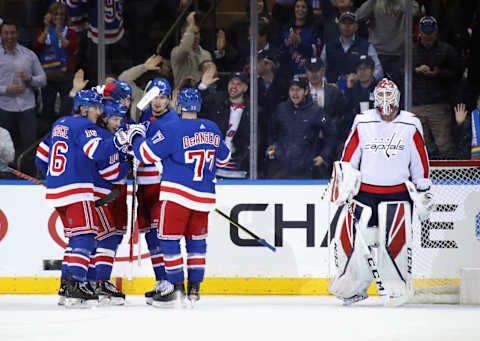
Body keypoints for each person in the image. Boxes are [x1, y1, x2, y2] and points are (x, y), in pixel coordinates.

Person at [329, 78, 432, 305]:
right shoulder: (363, 121)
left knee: (396, 245)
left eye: (389, 95)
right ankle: (351, 287)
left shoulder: (411, 123)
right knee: (350, 240)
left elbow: (419, 159)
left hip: (398, 193)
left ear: (396, 96)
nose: (385, 101)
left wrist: (423, 186)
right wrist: (344, 180)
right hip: (364, 193)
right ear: (375, 97)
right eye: (381, 96)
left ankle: (396, 288)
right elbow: (349, 156)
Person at [126, 87, 230, 307]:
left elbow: (144, 154)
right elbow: (224, 159)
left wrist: (135, 136)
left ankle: (175, 289)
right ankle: (194, 289)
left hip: (176, 196)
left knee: (168, 240)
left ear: (179, 105)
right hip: (204, 198)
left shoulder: (172, 128)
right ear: (199, 106)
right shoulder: (212, 128)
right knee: (197, 243)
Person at [35, 89, 127, 307]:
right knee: (85, 237)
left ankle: (66, 286)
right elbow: (97, 152)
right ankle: (77, 285)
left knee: (75, 239)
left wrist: (55, 177)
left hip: (58, 190)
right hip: (78, 189)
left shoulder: (60, 123)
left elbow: (40, 156)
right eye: (95, 108)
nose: (98, 112)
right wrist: (120, 140)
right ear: (84, 108)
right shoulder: (85, 126)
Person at [136, 78, 181, 304]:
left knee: (162, 235)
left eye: (162, 97)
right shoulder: (145, 115)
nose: (157, 101)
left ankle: (171, 282)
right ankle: (161, 281)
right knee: (152, 237)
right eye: (154, 96)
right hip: (143, 185)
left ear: (169, 99)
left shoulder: (172, 120)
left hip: (160, 185)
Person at [412, 16, 463, 158]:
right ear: (420, 32)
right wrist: (415, 71)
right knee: (419, 146)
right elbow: (400, 72)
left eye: (431, 32)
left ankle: (448, 177)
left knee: (445, 146)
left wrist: (438, 73)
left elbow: (457, 74)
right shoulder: (411, 50)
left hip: (439, 104)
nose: (428, 36)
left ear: (436, 32)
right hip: (416, 104)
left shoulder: (446, 50)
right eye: (425, 32)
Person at [0, 19, 47, 173]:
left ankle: (28, 176)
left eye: (12, 32)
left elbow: (43, 79)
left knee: (29, 146)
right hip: (5, 107)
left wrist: (30, 79)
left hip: (27, 107)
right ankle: (6, 176)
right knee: (5, 147)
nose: (10, 36)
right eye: (6, 33)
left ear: (17, 34)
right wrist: (7, 89)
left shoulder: (29, 55)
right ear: (1, 34)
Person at [267, 77, 337, 179]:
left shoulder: (316, 111)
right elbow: (271, 131)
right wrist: (272, 151)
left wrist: (324, 156)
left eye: (298, 90)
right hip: (281, 169)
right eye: (292, 90)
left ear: (306, 91)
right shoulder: (281, 109)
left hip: (306, 169)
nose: (295, 93)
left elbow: (331, 134)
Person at [199, 72, 250, 179]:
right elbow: (199, 106)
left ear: (245, 88)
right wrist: (203, 86)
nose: (234, 86)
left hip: (239, 171)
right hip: (214, 169)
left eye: (238, 84)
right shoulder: (216, 101)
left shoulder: (253, 110)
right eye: (232, 82)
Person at [35, 2, 78, 126]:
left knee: (66, 108)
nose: (58, 17)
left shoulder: (70, 32)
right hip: (48, 75)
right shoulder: (43, 31)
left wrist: (59, 33)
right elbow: (37, 46)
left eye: (61, 14)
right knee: (47, 108)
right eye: (55, 14)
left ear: (65, 17)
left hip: (66, 75)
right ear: (50, 15)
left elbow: (71, 48)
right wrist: (47, 28)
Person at [320, 11, 383, 87]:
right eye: (344, 23)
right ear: (339, 25)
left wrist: (363, 78)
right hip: (333, 91)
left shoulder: (367, 46)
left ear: (356, 26)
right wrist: (326, 85)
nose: (347, 26)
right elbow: (320, 69)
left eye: (350, 23)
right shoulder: (328, 46)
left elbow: (379, 71)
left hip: (358, 91)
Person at [304, 57, 347, 151]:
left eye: (316, 70)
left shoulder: (333, 91)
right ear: (306, 72)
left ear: (323, 71)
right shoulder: (300, 91)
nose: (313, 74)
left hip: (328, 140)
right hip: (306, 142)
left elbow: (341, 114)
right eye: (310, 70)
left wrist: (331, 125)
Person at [118, 54, 171, 122]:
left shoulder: (174, 108)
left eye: (162, 97)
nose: (158, 102)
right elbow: (123, 79)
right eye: (154, 97)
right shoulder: (140, 97)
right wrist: (144, 67)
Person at [279, 0, 322, 77]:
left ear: (308, 10)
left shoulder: (313, 29)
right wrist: (286, 45)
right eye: (297, 6)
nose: (300, 9)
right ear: (293, 9)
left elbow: (317, 51)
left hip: (307, 74)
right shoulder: (286, 29)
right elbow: (279, 52)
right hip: (288, 74)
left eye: (303, 7)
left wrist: (301, 44)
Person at [170, 11, 212, 88]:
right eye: (192, 33)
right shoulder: (175, 51)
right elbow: (185, 49)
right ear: (183, 35)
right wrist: (191, 26)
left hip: (202, 92)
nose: (195, 37)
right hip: (181, 93)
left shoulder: (206, 54)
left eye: (196, 33)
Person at [344, 54, 377, 137]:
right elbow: (344, 110)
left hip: (375, 129)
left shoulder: (380, 88)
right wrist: (349, 89)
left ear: (372, 70)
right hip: (355, 130)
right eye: (359, 69)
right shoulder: (352, 88)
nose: (362, 72)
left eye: (365, 69)